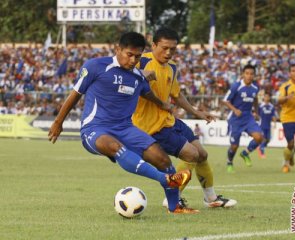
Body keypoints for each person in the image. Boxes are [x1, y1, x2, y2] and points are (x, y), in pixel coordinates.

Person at [48, 32, 197, 214]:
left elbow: (147, 93)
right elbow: (75, 94)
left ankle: (175, 206)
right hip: (95, 129)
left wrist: (163, 104)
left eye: (138, 56)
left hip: (126, 129)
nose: (133, 60)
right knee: (113, 146)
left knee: (162, 159)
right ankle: (166, 179)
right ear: (117, 49)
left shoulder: (137, 77)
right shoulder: (95, 66)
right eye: (129, 54)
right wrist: (58, 122)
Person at [132, 27, 237, 209]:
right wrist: (139, 75)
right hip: (152, 128)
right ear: (154, 44)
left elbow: (177, 95)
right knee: (191, 154)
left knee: (202, 154)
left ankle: (211, 199)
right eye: (164, 48)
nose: (168, 52)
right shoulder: (141, 62)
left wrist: (196, 112)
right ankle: (173, 197)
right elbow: (122, 77)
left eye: (172, 49)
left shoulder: (172, 68)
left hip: (170, 121)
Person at [223, 64, 263, 173]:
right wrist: (235, 109)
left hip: (248, 117)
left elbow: (255, 99)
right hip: (235, 119)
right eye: (247, 73)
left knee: (259, 137)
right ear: (243, 74)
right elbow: (225, 100)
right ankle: (230, 162)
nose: (249, 76)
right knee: (234, 146)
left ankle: (245, 153)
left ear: (254, 75)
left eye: (251, 74)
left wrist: (256, 111)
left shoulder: (255, 87)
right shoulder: (236, 86)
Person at [257, 93, 277, 158]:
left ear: (269, 98)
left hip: (268, 125)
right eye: (265, 97)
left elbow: (273, 115)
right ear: (264, 98)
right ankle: (262, 152)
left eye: (268, 97)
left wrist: (275, 123)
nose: (266, 98)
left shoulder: (271, 106)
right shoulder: (261, 106)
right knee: (263, 139)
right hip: (262, 125)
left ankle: (260, 147)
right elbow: (258, 114)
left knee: (268, 139)